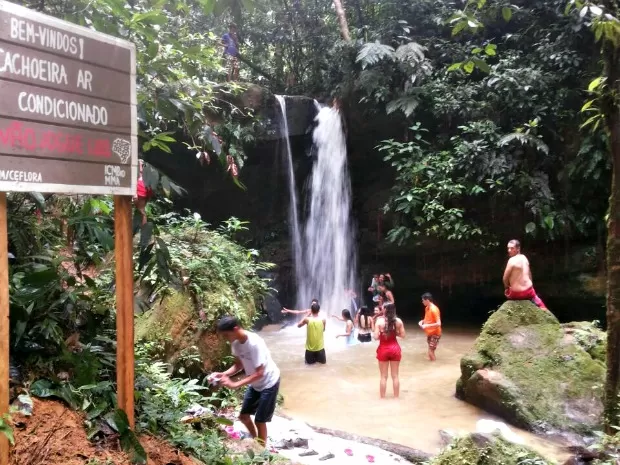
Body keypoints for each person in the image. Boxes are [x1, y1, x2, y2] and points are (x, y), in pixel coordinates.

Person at [212, 316, 280, 446]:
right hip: (256, 383)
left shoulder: (254, 343)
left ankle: (262, 451)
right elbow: (238, 365)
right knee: (243, 416)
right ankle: (257, 442)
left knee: (260, 421)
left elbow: (260, 373)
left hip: (269, 382)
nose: (226, 339)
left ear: (235, 329)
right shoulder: (236, 344)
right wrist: (223, 374)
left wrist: (235, 384)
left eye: (226, 335)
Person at [503, 239, 548, 310]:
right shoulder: (525, 258)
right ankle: (543, 309)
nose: (509, 250)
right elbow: (529, 274)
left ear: (518, 249)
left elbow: (505, 278)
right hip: (529, 292)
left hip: (516, 294)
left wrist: (506, 288)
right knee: (541, 304)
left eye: (512, 248)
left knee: (507, 292)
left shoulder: (511, 260)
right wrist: (530, 286)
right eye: (508, 248)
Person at [374, 303, 405, 398]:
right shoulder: (398, 321)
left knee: (383, 376)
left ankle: (382, 398)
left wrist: (383, 334)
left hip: (383, 348)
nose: (381, 309)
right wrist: (394, 333)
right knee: (395, 376)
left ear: (385, 310)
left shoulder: (379, 321)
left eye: (382, 308)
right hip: (395, 349)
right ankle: (396, 398)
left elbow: (375, 337)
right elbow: (403, 335)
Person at [419, 293, 441, 362]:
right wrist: (422, 321)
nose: (422, 302)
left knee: (430, 352)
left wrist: (426, 326)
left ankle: (434, 367)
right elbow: (429, 319)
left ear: (427, 300)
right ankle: (432, 363)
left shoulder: (434, 309)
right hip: (430, 333)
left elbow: (438, 323)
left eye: (423, 300)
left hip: (435, 333)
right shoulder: (427, 308)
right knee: (430, 351)